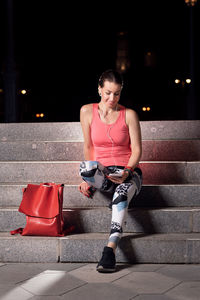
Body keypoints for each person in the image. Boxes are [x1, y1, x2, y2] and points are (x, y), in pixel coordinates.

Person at [79, 69, 142, 273]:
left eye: (116, 93)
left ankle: (110, 249)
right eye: (107, 92)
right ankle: (110, 189)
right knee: (86, 168)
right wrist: (89, 181)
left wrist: (127, 171)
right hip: (104, 173)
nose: (111, 98)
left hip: (127, 172)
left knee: (121, 193)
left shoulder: (129, 115)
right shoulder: (87, 111)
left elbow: (137, 150)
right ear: (99, 89)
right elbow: (88, 147)